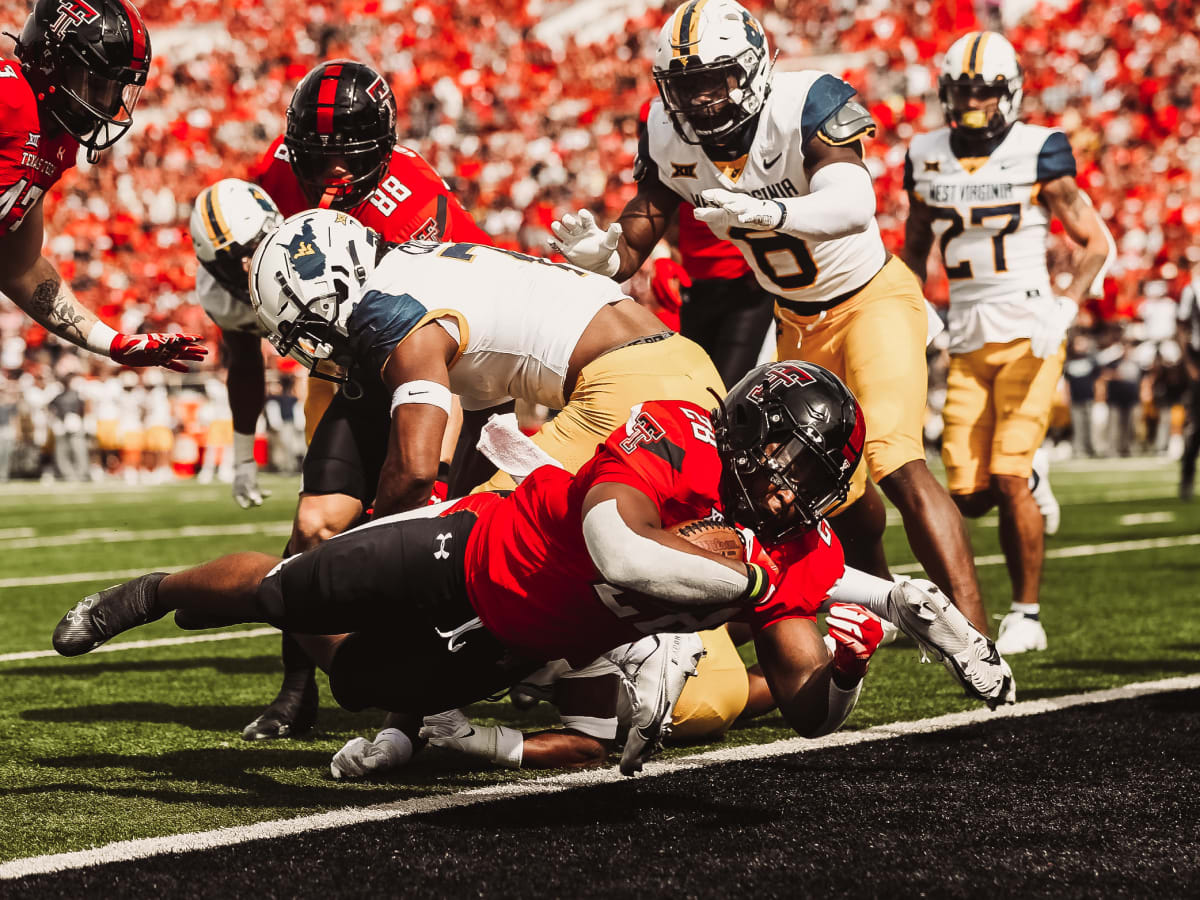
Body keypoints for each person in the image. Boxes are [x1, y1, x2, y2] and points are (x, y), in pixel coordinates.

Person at [52, 365, 1014, 778]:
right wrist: (756, 585)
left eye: (810, 479)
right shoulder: (678, 437)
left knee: (359, 679)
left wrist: (846, 667)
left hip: (512, 644)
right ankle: (145, 595)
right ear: (748, 434)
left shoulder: (795, 544)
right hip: (464, 550)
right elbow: (618, 548)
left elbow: (805, 709)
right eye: (783, 462)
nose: (785, 489)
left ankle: (410, 732)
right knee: (285, 593)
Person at [549, 0, 991, 636]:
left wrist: (771, 214)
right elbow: (639, 230)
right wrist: (607, 253)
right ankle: (886, 604)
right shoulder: (667, 132)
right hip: (795, 318)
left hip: (872, 298)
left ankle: (974, 631)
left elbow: (854, 203)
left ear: (752, 68)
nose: (700, 100)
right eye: (685, 85)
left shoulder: (806, 101)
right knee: (832, 486)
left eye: (714, 79)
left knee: (895, 458)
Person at [188, 59, 494, 741]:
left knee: (421, 526)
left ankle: (438, 692)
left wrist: (435, 447)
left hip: (441, 365)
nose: (326, 173)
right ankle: (297, 689)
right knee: (314, 528)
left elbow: (450, 339)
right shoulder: (276, 171)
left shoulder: (416, 205)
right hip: (358, 362)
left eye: (343, 156)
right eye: (314, 154)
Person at [902, 30, 1112, 656]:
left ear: (1011, 94)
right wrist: (916, 308)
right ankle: (1035, 477)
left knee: (1009, 474)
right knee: (967, 495)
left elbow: (1095, 241)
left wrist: (1067, 305)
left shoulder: (1040, 150)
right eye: (961, 94)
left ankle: (1026, 614)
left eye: (984, 94)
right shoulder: (926, 153)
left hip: (1029, 329)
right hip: (966, 334)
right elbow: (914, 246)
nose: (971, 107)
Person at [0, 0, 206, 373]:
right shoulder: (8, 97)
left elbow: (20, 267)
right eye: (97, 84)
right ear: (52, 62)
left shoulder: (56, 143)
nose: (107, 105)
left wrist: (111, 341)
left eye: (114, 90)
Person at [1177, 270, 1200, 500]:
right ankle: (1187, 476)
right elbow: (1182, 329)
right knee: (1197, 424)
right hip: (1198, 359)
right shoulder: (1193, 289)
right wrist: (1189, 364)